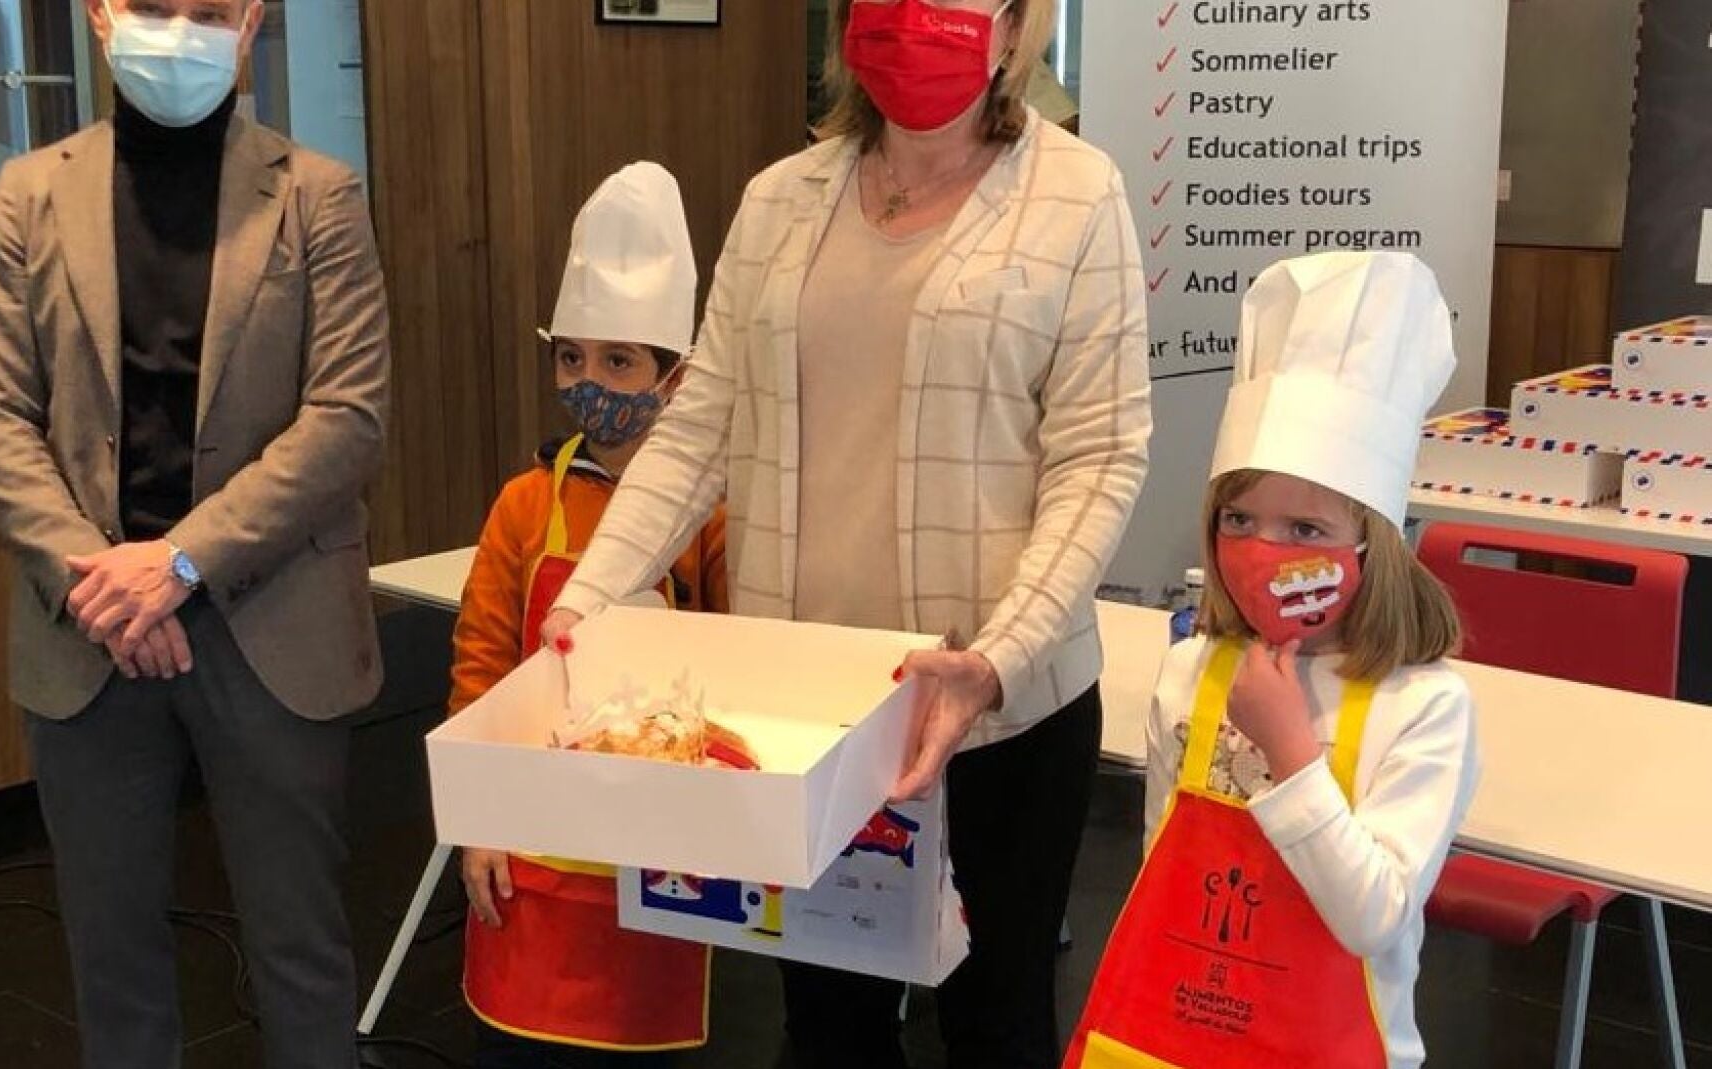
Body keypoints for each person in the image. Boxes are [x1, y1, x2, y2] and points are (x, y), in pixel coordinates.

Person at [544, 1, 1152, 1064]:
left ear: (1014, 25)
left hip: (997, 715)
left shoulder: (1077, 195)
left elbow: (1098, 456)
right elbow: (699, 428)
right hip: (810, 713)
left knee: (996, 1019)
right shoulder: (780, 200)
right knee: (827, 1023)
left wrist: (997, 660)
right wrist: (587, 600)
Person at [0, 1, 389, 1066]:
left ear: (250, 23)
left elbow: (347, 416)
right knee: (112, 957)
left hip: (270, 615)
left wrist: (182, 561)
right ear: (101, 14)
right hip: (89, 625)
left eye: (208, 11)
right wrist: (101, 581)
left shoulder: (318, 196)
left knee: (300, 947)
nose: (179, 30)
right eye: (154, 6)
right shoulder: (29, 195)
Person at [1064, 251, 1482, 1069]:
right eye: (1240, 519)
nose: (1263, 551)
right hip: (1173, 1041)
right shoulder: (1192, 670)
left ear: (1373, 544)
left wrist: (1291, 750)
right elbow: (1161, 867)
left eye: (1305, 530)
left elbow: (1374, 917)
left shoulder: (1423, 706)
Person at [451, 162, 728, 1068]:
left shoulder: (711, 520)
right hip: (531, 849)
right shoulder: (524, 504)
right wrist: (477, 818)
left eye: (618, 361)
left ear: (675, 378)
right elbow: (480, 669)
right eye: (571, 358)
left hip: (661, 851)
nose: (589, 380)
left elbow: (738, 675)